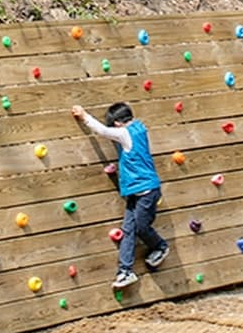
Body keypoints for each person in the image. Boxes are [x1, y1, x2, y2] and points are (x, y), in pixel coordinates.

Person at [72, 102, 170, 288]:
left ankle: (159, 246)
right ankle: (125, 272)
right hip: (136, 191)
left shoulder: (124, 133)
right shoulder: (139, 128)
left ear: (117, 123)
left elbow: (101, 131)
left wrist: (84, 115)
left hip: (146, 190)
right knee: (128, 231)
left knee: (141, 227)